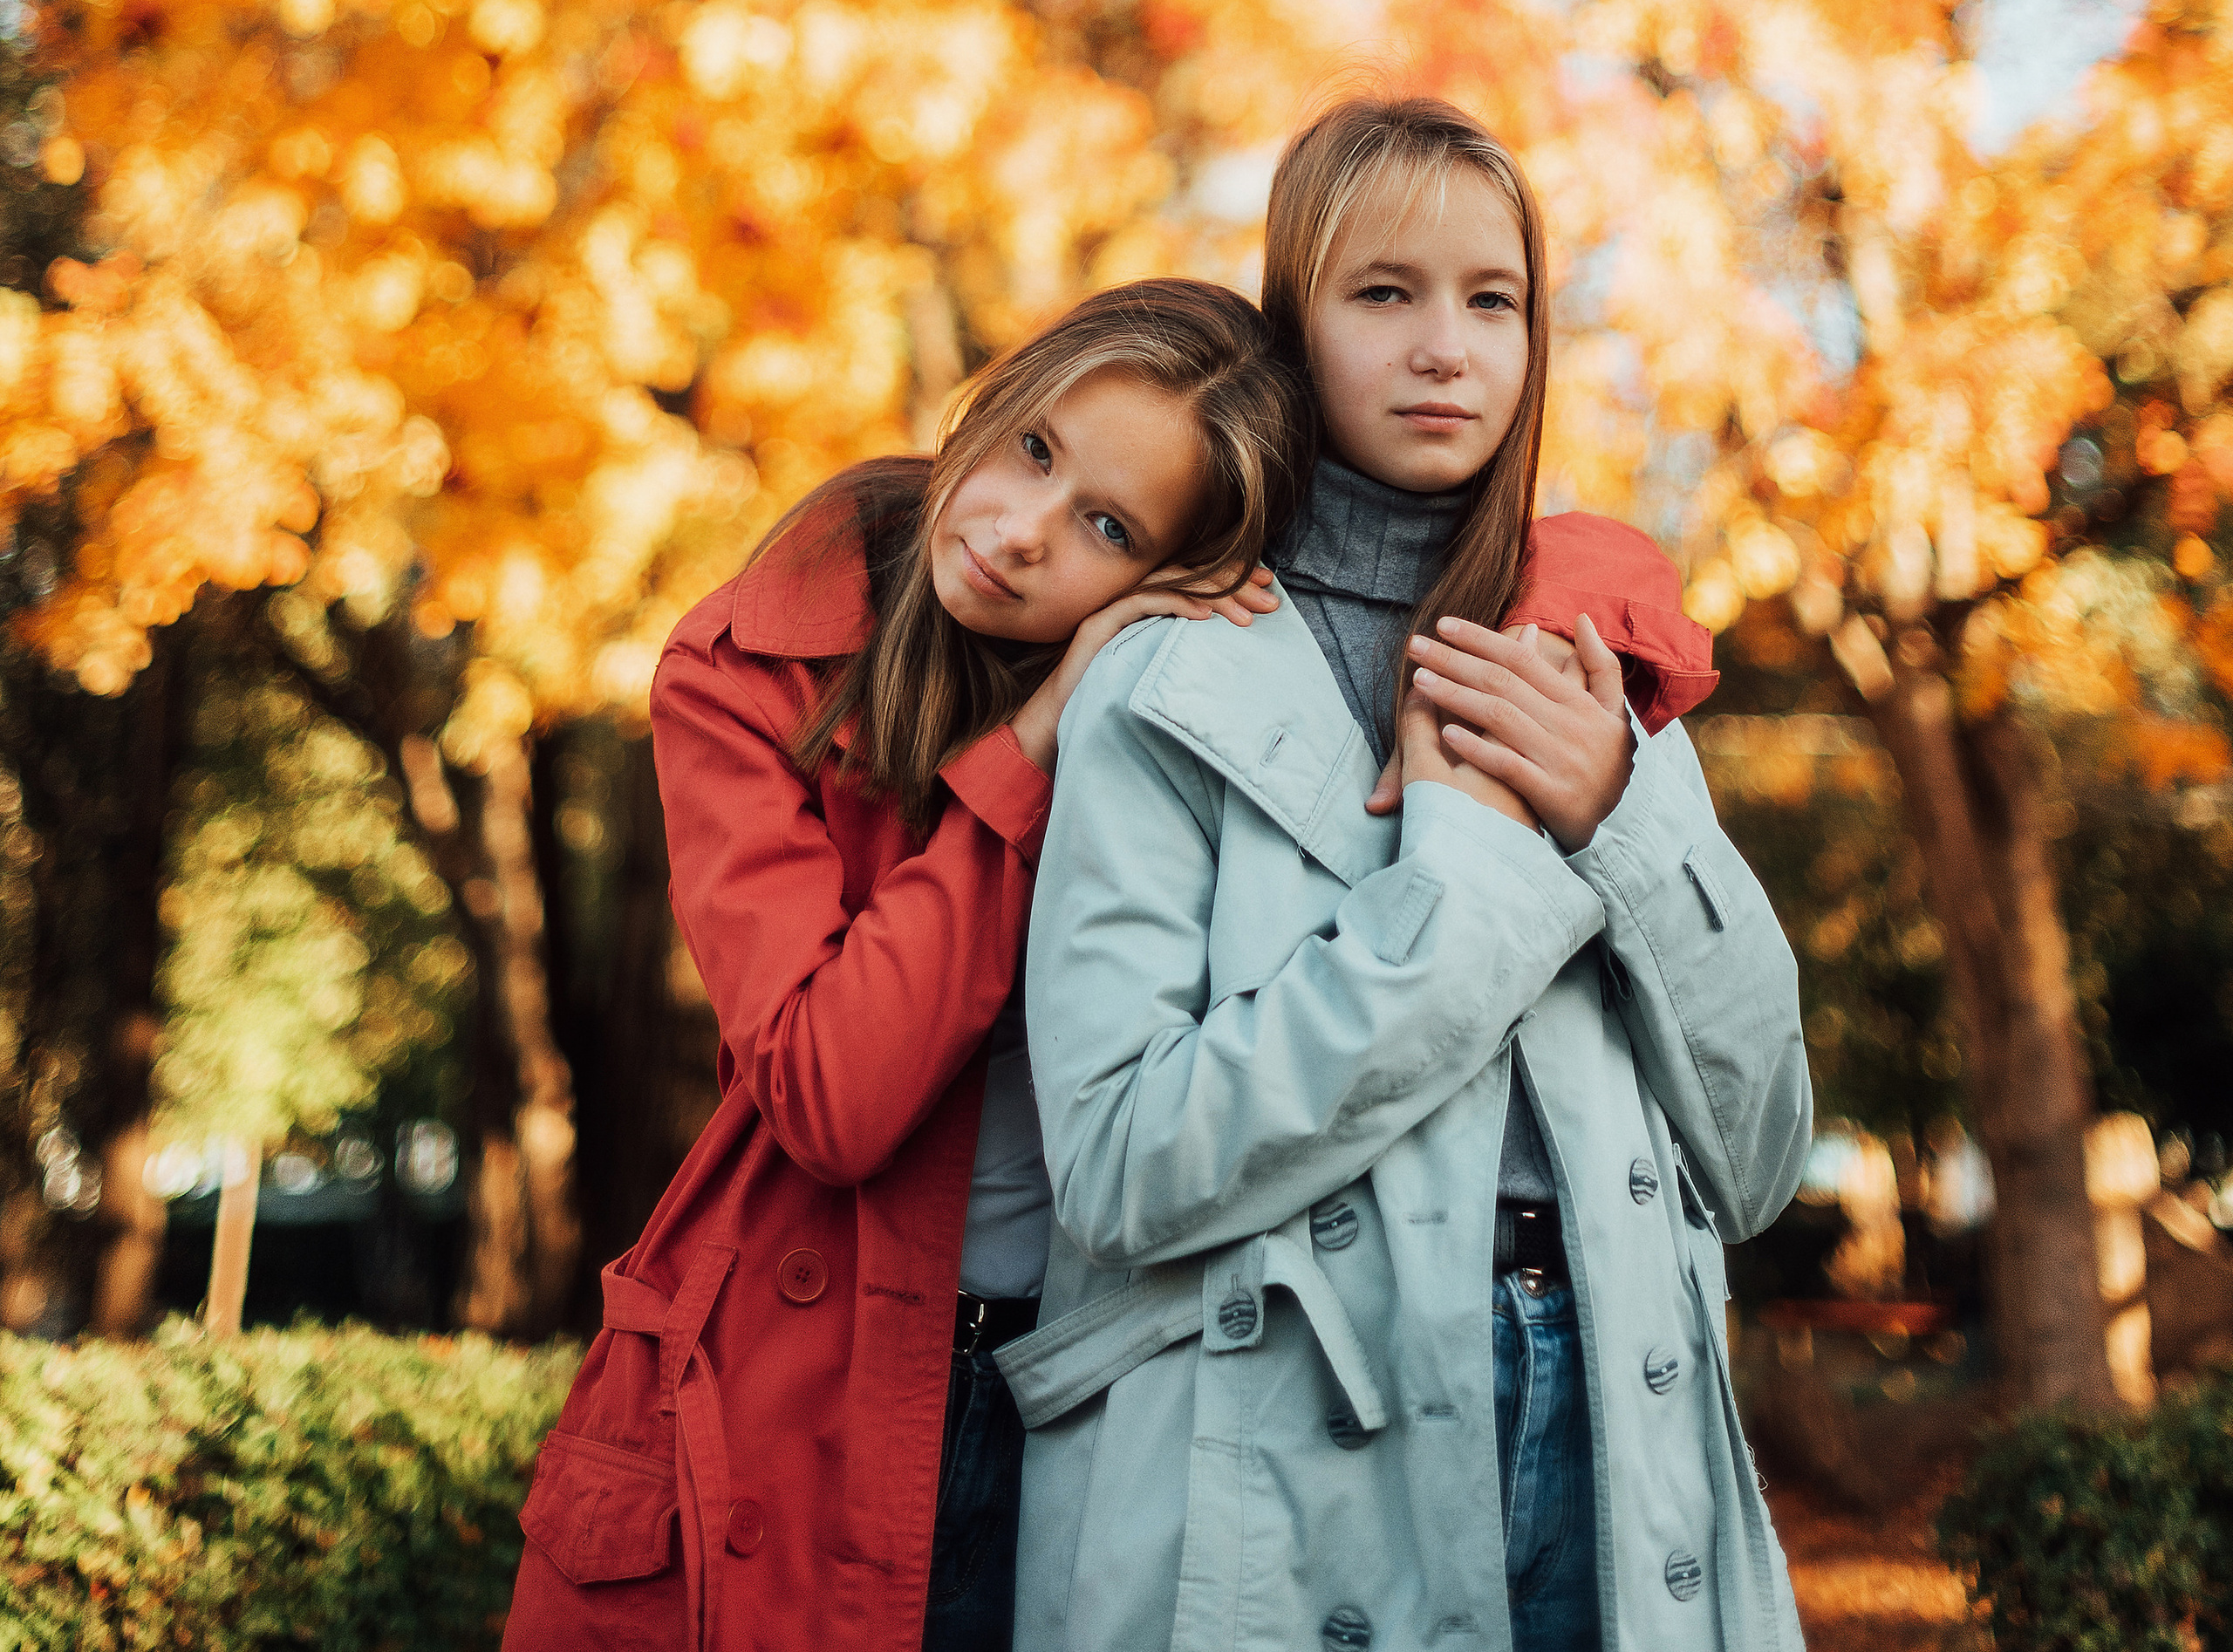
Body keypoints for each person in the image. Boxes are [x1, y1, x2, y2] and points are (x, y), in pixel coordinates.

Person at [1005, 95, 1813, 1652]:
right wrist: (1460, 904)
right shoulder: (1166, 677)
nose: (1447, 345)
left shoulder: (1595, 674)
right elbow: (1112, 1161)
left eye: (1492, 299)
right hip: (1280, 1461)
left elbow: (1762, 1153)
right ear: (1292, 321)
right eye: (1386, 292)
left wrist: (1624, 816)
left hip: (1613, 1432)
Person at [502, 277, 1307, 1652]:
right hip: (790, 1392)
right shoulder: (749, 666)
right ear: (993, 401)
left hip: (1081, 1385)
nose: (1018, 530)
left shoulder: (1181, 707)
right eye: (1037, 450)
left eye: (1106, 526)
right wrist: (1035, 742)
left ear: (1171, 578)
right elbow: (828, 1090)